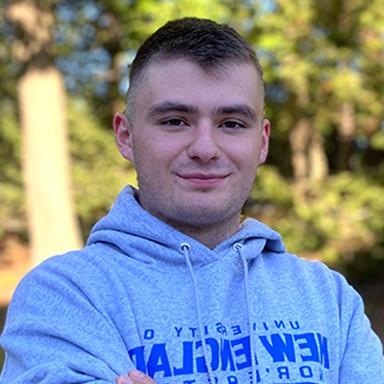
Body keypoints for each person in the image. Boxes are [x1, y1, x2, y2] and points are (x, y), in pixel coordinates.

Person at [1, 17, 383, 384]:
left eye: (231, 123)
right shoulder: (64, 296)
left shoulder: (326, 297)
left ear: (262, 141)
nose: (204, 148)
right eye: (174, 121)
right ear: (125, 135)